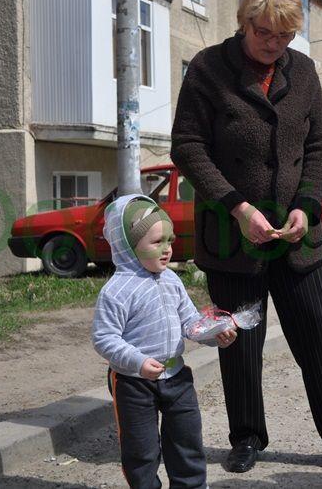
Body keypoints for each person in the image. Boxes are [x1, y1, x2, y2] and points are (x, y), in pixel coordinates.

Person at [169, 0, 322, 476]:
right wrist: (238, 208)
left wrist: (307, 205)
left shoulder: (303, 71)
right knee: (238, 345)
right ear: (244, 23)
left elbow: (320, 144)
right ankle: (246, 438)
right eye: (264, 34)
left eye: (284, 36)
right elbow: (187, 147)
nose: (274, 44)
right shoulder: (208, 69)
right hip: (232, 237)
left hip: (299, 240)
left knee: (320, 341)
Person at [92, 195, 237, 489]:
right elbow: (104, 338)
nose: (167, 248)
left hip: (177, 376)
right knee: (141, 450)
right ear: (128, 245)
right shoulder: (116, 291)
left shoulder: (172, 280)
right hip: (133, 382)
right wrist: (138, 362)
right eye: (157, 241)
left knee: (187, 440)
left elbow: (190, 322)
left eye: (170, 240)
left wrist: (213, 334)